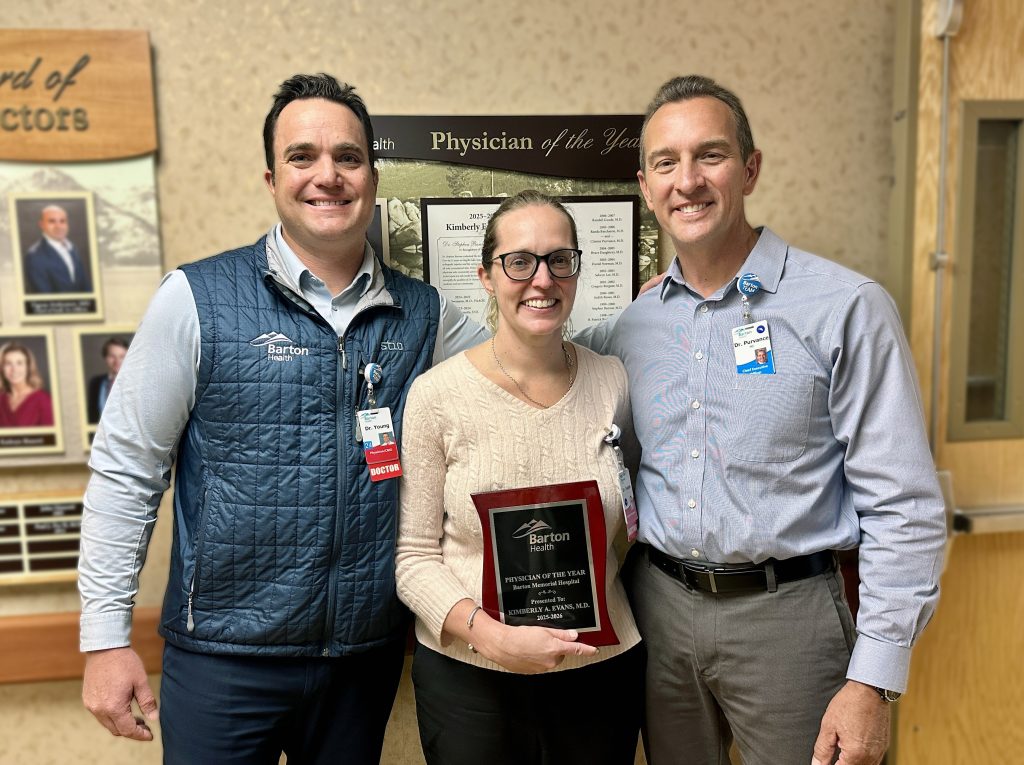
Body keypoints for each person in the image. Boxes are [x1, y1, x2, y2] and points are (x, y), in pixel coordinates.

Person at [78, 73, 486, 764]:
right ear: (272, 179)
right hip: (224, 659)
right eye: (303, 157)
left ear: (373, 178)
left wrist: (634, 324)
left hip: (360, 659)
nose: (327, 175)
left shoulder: (425, 314)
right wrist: (104, 638)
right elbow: (126, 470)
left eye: (348, 157)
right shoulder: (195, 298)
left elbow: (523, 363)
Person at [592, 75, 946, 765]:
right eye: (666, 162)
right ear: (645, 186)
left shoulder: (846, 308)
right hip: (659, 613)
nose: (688, 180)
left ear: (750, 169)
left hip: (789, 619)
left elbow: (904, 505)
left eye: (711, 155)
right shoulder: (631, 328)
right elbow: (554, 386)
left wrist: (873, 680)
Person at [395, 190, 643, 765]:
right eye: (520, 261)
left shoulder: (613, 382)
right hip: (471, 680)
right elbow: (412, 557)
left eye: (560, 260)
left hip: (599, 671)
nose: (542, 279)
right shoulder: (436, 396)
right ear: (486, 276)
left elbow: (626, 523)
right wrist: (492, 636)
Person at [23, 204, 93, 294]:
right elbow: (44, 296)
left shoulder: (72, 248)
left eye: (62, 221)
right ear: (41, 225)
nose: (58, 226)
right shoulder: (34, 256)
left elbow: (86, 286)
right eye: (52, 221)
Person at [0, 341, 55, 428]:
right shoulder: (1, 399)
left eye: (19, 363)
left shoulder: (43, 400)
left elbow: (51, 435)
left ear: (28, 367)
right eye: (8, 363)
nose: (14, 369)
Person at [87, 337, 129, 423]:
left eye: (122, 356)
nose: (117, 361)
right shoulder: (95, 383)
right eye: (112, 356)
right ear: (105, 358)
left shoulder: (137, 383)